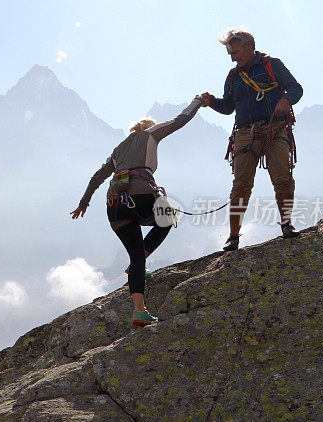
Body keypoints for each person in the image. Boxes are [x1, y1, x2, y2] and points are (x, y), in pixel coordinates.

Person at [71, 96, 203, 327]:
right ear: (150, 127)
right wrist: (198, 101)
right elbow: (180, 120)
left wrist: (84, 203)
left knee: (136, 255)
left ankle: (139, 310)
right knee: (167, 219)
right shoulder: (151, 134)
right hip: (141, 196)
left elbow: (97, 177)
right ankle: (139, 264)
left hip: (114, 205)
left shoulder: (118, 150)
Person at [201, 27, 303, 251]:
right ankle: (234, 237)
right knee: (240, 186)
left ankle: (286, 225)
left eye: (235, 52)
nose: (232, 57)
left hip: (275, 128)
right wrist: (212, 102)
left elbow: (296, 88)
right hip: (245, 132)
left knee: (283, 178)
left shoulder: (272, 65)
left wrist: (286, 100)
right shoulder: (233, 76)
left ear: (250, 46)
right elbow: (228, 107)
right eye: (230, 54)